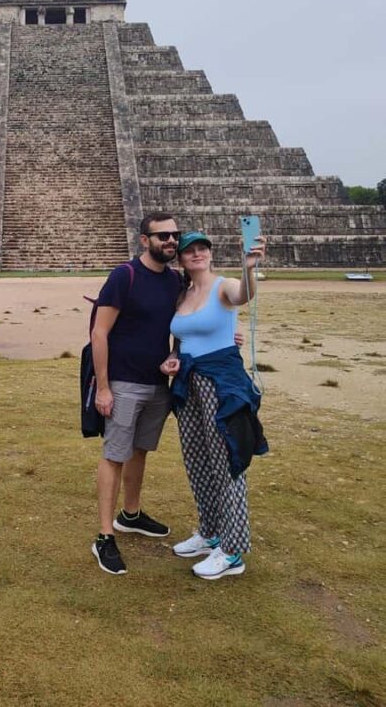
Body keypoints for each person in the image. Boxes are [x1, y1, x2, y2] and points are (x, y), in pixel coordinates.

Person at [160, 230, 268, 580]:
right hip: (188, 383)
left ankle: (233, 550)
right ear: (181, 259)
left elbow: (243, 295)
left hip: (221, 383)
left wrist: (249, 267)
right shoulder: (183, 294)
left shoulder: (224, 285)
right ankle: (210, 532)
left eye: (203, 248)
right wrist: (172, 360)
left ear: (210, 253)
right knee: (197, 459)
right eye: (190, 250)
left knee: (227, 462)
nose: (197, 254)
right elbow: (183, 339)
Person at [90, 212, 182, 575]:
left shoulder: (175, 281)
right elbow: (100, 333)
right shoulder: (123, 276)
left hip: (158, 384)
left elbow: (183, 325)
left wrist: (174, 355)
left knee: (140, 451)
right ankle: (104, 536)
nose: (171, 241)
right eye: (163, 236)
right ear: (144, 240)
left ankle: (131, 514)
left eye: (175, 235)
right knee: (115, 453)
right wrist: (103, 386)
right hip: (123, 382)